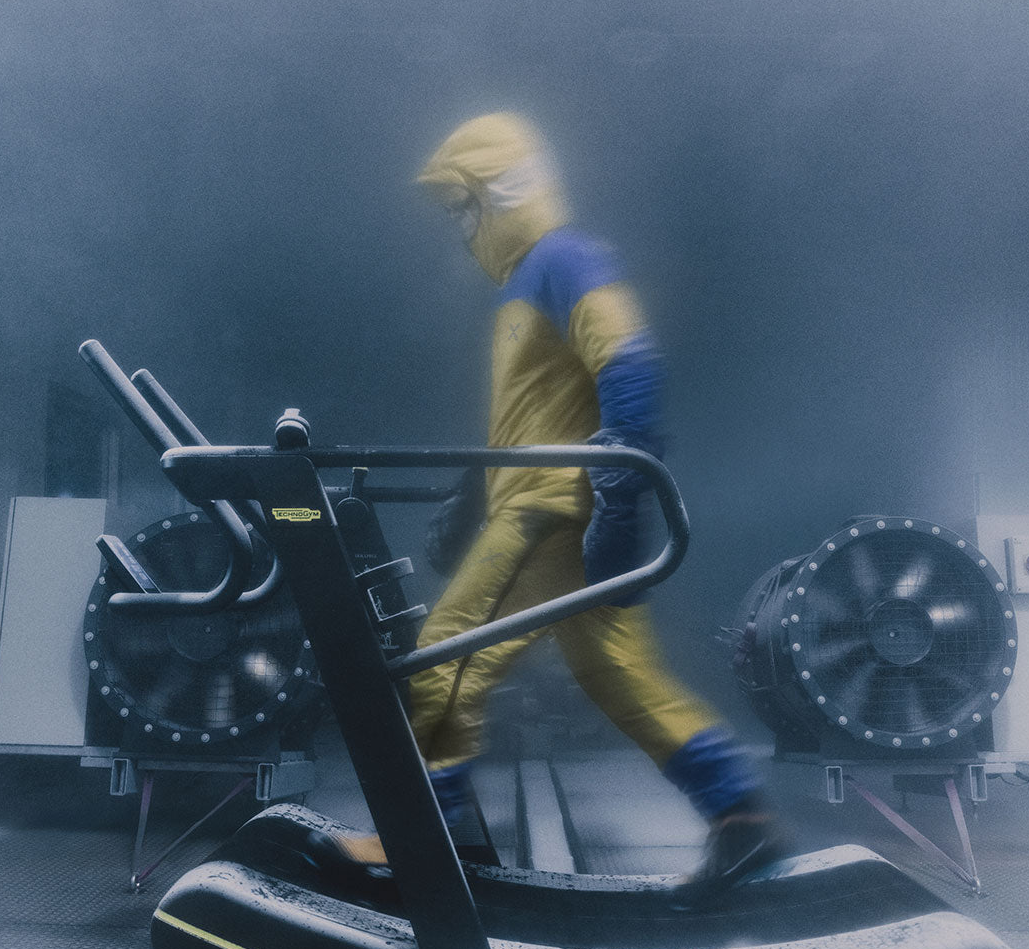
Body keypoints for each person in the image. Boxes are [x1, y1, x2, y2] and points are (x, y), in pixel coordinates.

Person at [336, 112, 787, 901]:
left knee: (445, 656)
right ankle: (742, 819)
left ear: (502, 193)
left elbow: (628, 359)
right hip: (549, 500)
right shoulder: (523, 288)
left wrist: (619, 492)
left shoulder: (564, 258)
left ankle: (428, 835)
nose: (459, 227)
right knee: (621, 674)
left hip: (550, 511)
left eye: (464, 206)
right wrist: (473, 492)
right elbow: (537, 414)